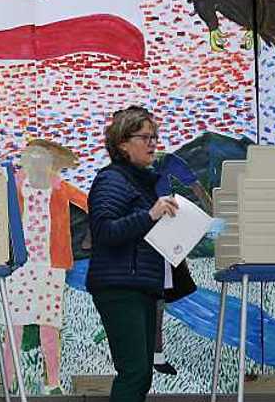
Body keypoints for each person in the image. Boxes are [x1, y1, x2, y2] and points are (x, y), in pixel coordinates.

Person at [86, 106, 179, 402]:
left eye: (155, 137)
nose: (153, 143)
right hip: (120, 288)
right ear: (123, 143)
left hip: (141, 286)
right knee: (134, 371)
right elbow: (104, 230)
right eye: (145, 137)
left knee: (142, 374)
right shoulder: (112, 179)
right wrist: (150, 216)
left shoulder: (140, 181)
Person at [1, 139, 88, 395]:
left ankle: (52, 382)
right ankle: (8, 382)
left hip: (51, 265)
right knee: (13, 325)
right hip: (19, 266)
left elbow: (90, 203)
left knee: (49, 325)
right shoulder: (13, 183)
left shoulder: (60, 186)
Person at [149, 151, 211, 376]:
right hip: (136, 234)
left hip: (163, 234)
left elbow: (195, 186)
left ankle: (156, 356)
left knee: (157, 300)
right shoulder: (122, 167)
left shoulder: (165, 160)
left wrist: (210, 214)